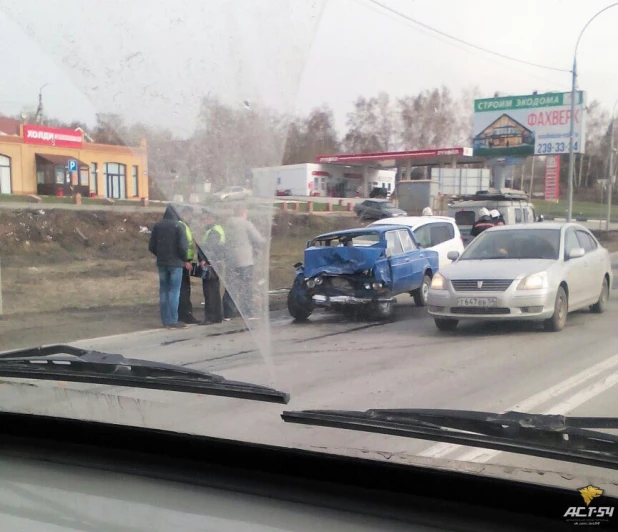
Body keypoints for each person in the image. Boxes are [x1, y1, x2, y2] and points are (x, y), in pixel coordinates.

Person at [148, 205, 190, 329]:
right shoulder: (179, 226)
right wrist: (184, 259)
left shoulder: (158, 225)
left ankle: (165, 320)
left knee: (164, 291)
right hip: (176, 264)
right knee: (174, 292)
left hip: (162, 263)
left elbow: (151, 246)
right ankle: (173, 320)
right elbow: (183, 246)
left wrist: (160, 254)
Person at [222, 205, 266, 320]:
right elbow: (258, 239)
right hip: (245, 260)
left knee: (231, 286)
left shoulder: (227, 225)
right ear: (243, 213)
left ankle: (227, 313)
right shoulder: (246, 224)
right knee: (246, 286)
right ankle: (247, 312)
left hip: (230, 260)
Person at [171, 206, 199, 324]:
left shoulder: (180, 225)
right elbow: (182, 245)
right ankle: (186, 314)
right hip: (183, 261)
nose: (191, 218)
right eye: (190, 215)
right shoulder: (182, 226)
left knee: (182, 288)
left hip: (183, 260)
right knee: (184, 289)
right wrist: (185, 261)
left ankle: (181, 313)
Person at [197, 211, 226, 325]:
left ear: (212, 218)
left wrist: (204, 260)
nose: (204, 220)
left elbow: (210, 248)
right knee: (213, 289)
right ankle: (216, 316)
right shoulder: (215, 230)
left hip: (211, 264)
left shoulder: (214, 231)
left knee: (210, 290)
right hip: (215, 263)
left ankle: (211, 316)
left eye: (206, 218)